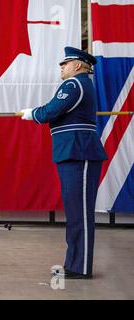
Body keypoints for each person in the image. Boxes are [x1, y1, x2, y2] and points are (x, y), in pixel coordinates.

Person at [20, 47, 107, 279]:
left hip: (79, 152)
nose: (61, 67)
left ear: (77, 65)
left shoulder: (74, 85)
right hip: (73, 152)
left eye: (65, 63)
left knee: (80, 213)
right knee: (75, 211)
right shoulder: (79, 84)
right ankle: (75, 264)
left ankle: (81, 267)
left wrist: (33, 113)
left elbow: (52, 110)